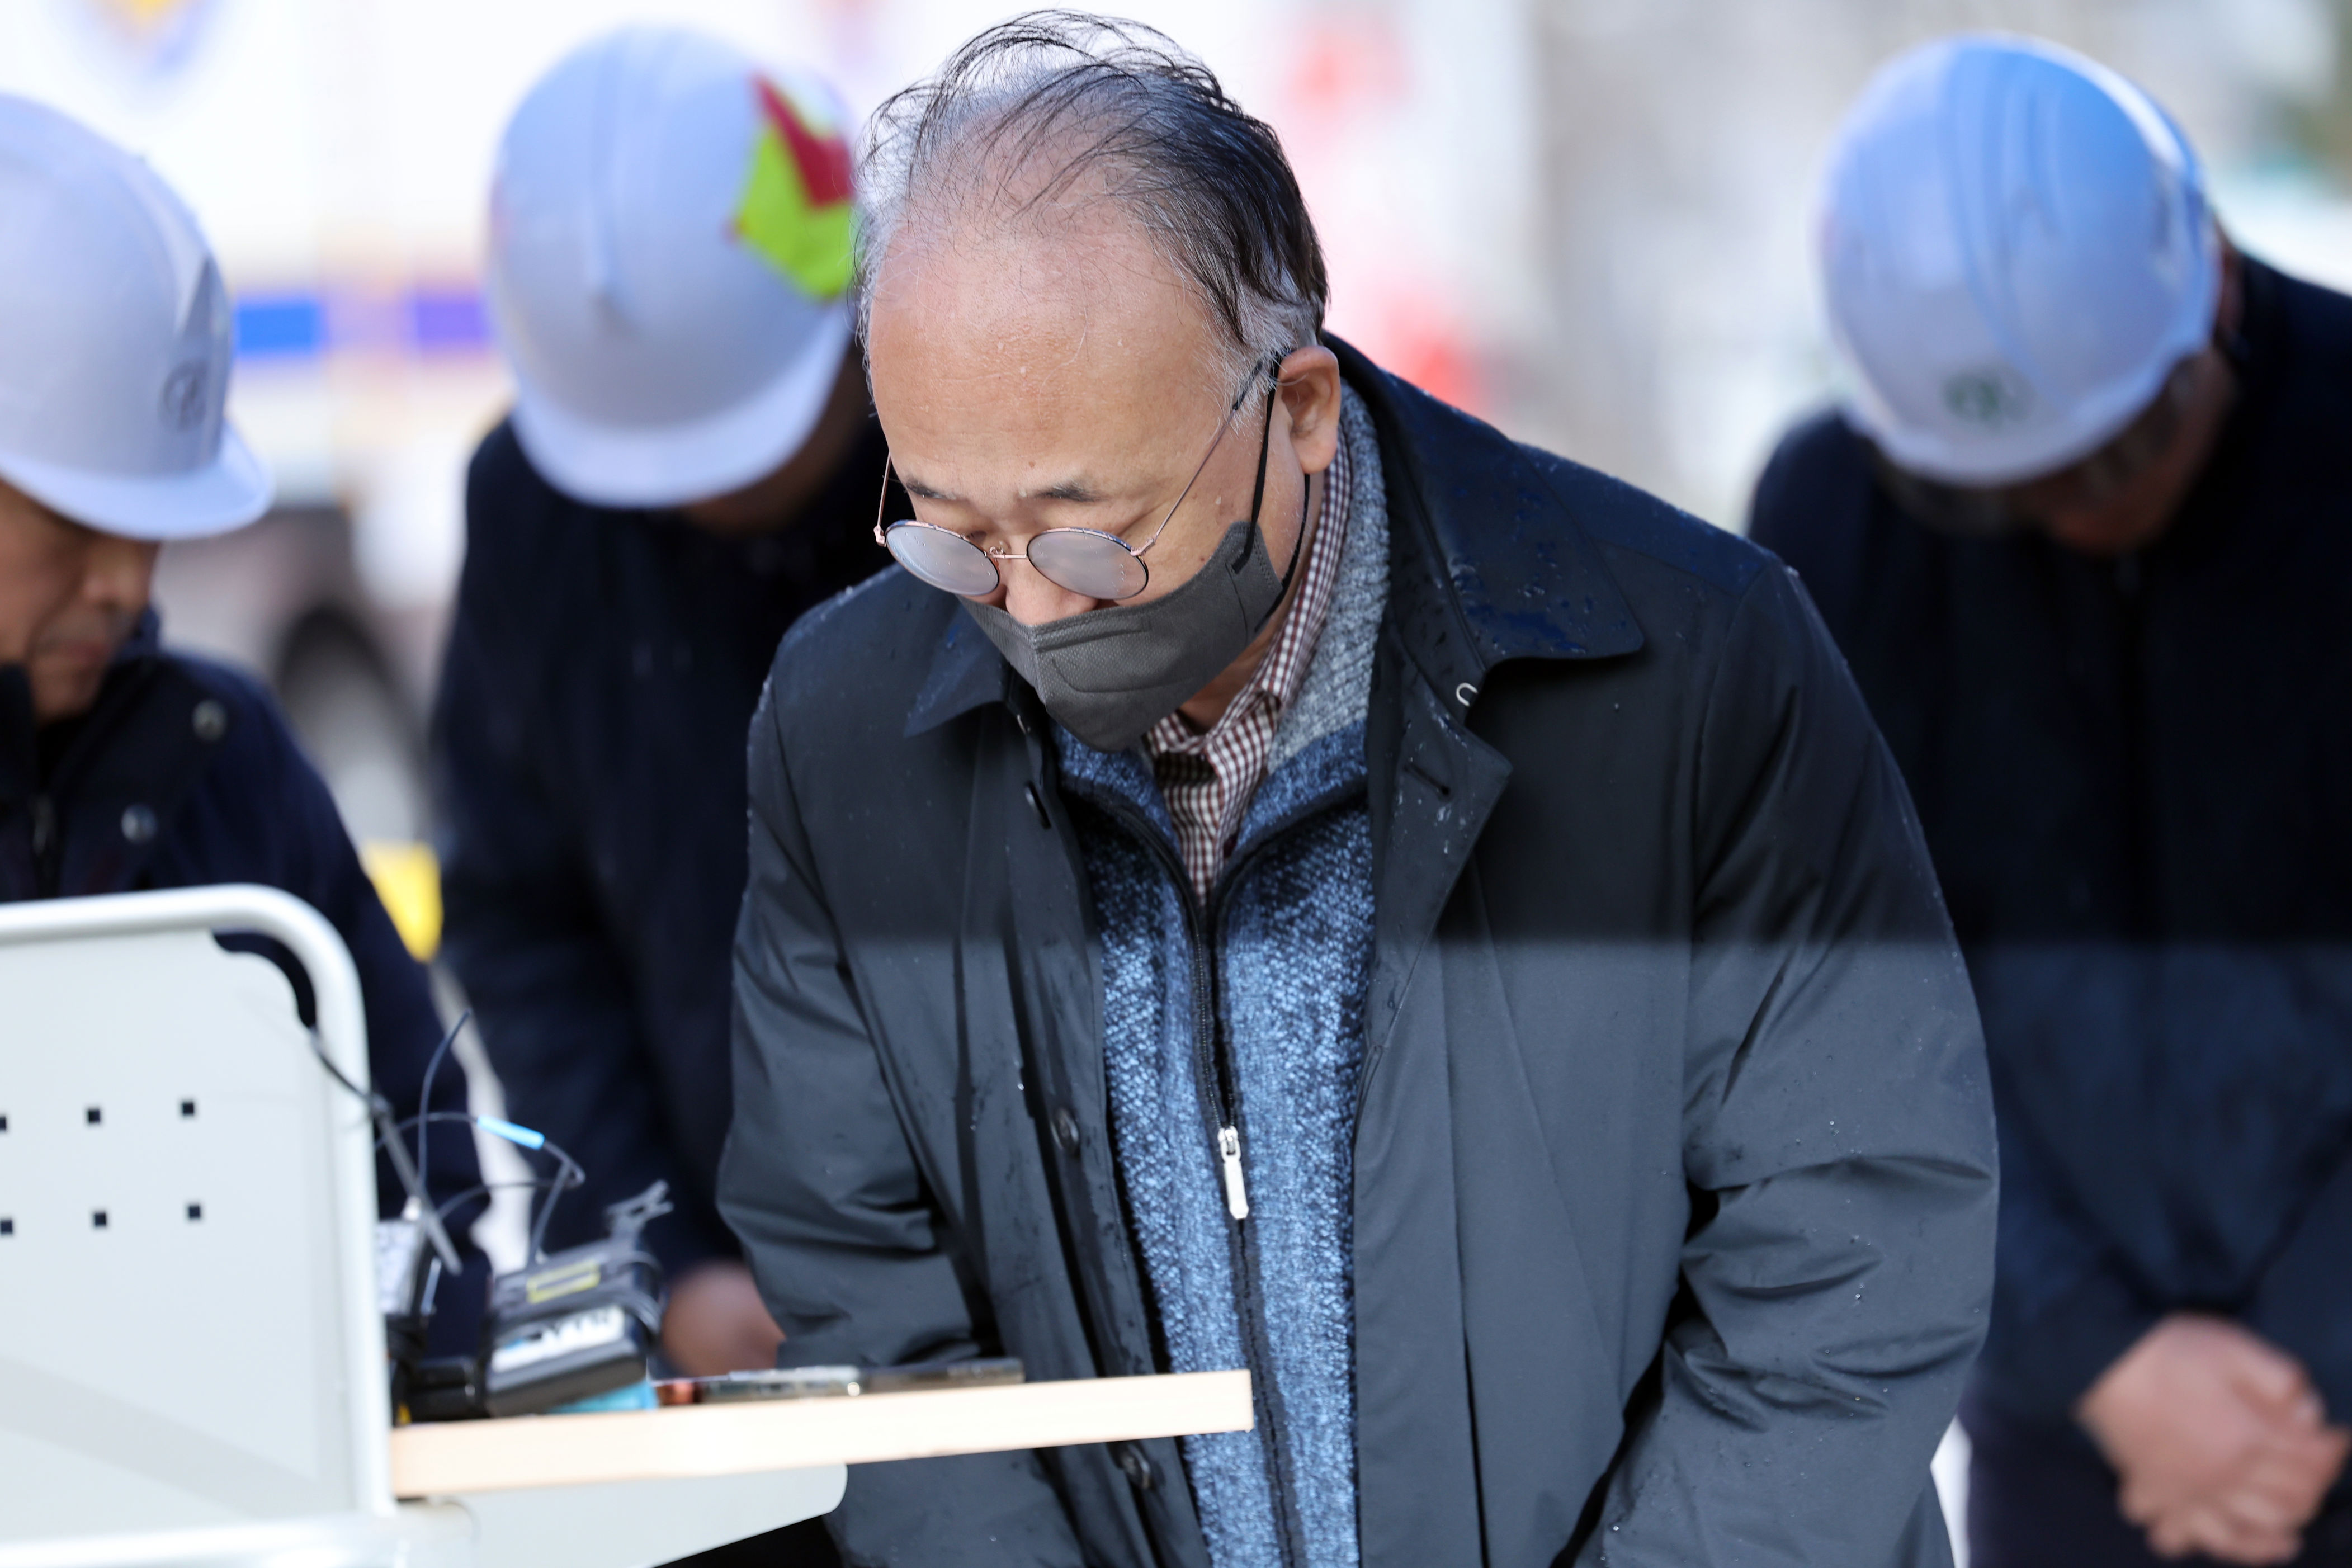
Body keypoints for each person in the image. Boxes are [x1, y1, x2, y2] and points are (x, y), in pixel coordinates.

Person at [719, 16, 1998, 1566]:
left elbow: (1850, 1239)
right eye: (945, 529)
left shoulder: (1690, 672)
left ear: (1299, 408)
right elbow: (866, 1281)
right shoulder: (847, 732)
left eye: (1086, 532)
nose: (1028, 612)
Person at [1750, 35, 2352, 1568]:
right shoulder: (1833, 526)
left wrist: (2300, 1368)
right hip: (2071, 1415)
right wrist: (2093, 1352)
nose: (2086, 507)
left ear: (2209, 288)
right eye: (2008, 488)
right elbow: (1825, 1001)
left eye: (2127, 448)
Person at [432, 25, 884, 1401]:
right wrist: (662, 1262)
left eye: (740, 449)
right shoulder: (538, 520)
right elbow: (525, 919)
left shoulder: (988, 480)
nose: (699, 495)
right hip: (729, 1318)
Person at [0, 95, 485, 1347]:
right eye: (69, 523)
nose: (122, 580)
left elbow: (424, 1172)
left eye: (144, 518)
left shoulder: (235, 758)